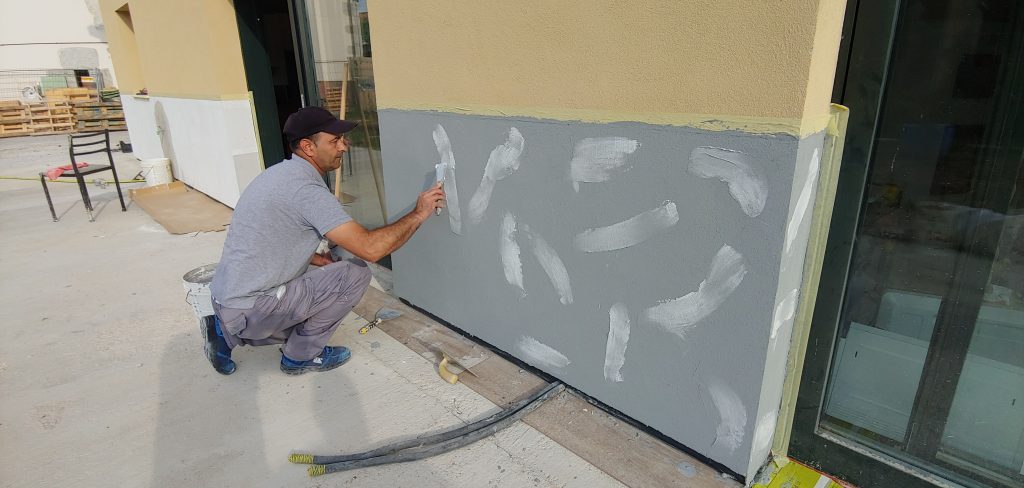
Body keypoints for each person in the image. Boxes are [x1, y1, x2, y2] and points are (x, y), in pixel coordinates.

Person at [203, 107, 445, 375]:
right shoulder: (307, 192)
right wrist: (419, 213)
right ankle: (300, 356)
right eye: (334, 141)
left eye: (343, 139)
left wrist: (317, 259)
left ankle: (222, 332)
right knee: (354, 274)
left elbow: (272, 240)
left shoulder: (278, 175)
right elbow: (371, 249)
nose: (344, 146)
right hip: (251, 310)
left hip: (226, 298)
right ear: (308, 147)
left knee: (330, 266)